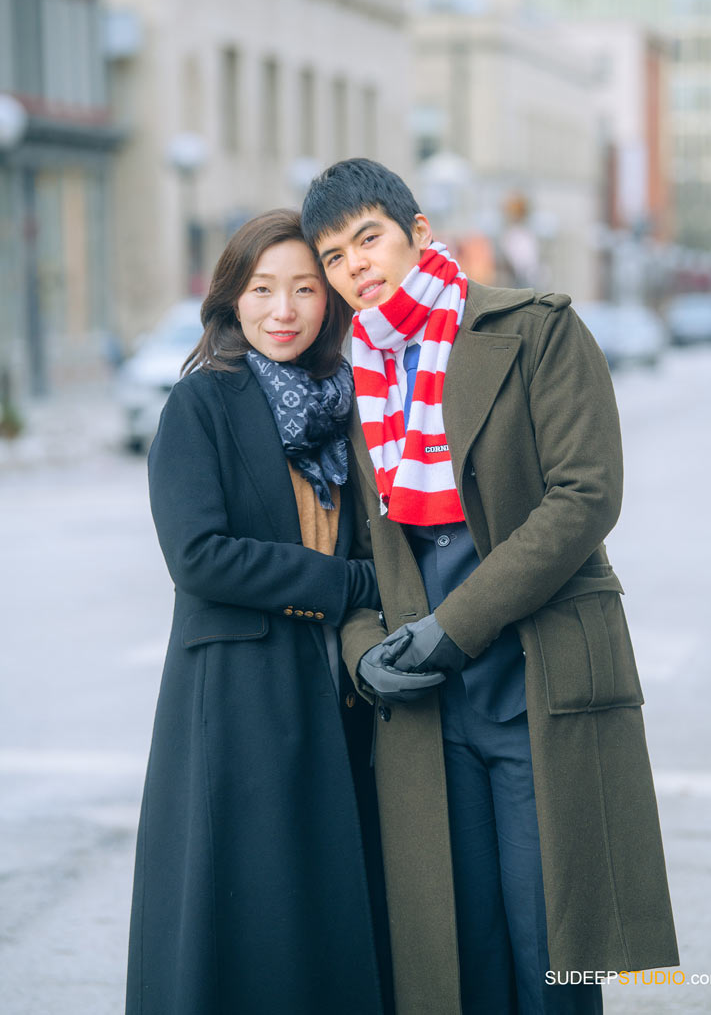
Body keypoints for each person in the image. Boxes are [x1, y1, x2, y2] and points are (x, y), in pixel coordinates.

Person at [301, 160, 679, 1015]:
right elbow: (361, 551)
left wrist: (455, 625)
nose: (355, 266)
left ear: (419, 233)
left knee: (550, 945)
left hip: (533, 676)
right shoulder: (359, 377)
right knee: (455, 955)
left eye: (369, 238)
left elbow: (586, 495)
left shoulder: (536, 329)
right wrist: (366, 655)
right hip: (428, 706)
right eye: (334, 256)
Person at [126, 209, 392, 1015]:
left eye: (305, 289)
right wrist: (345, 583)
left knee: (322, 904)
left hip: (330, 691)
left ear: (330, 302)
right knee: (241, 910)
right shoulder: (200, 405)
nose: (283, 310)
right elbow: (198, 556)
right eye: (262, 288)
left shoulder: (346, 408)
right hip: (235, 696)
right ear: (231, 299)